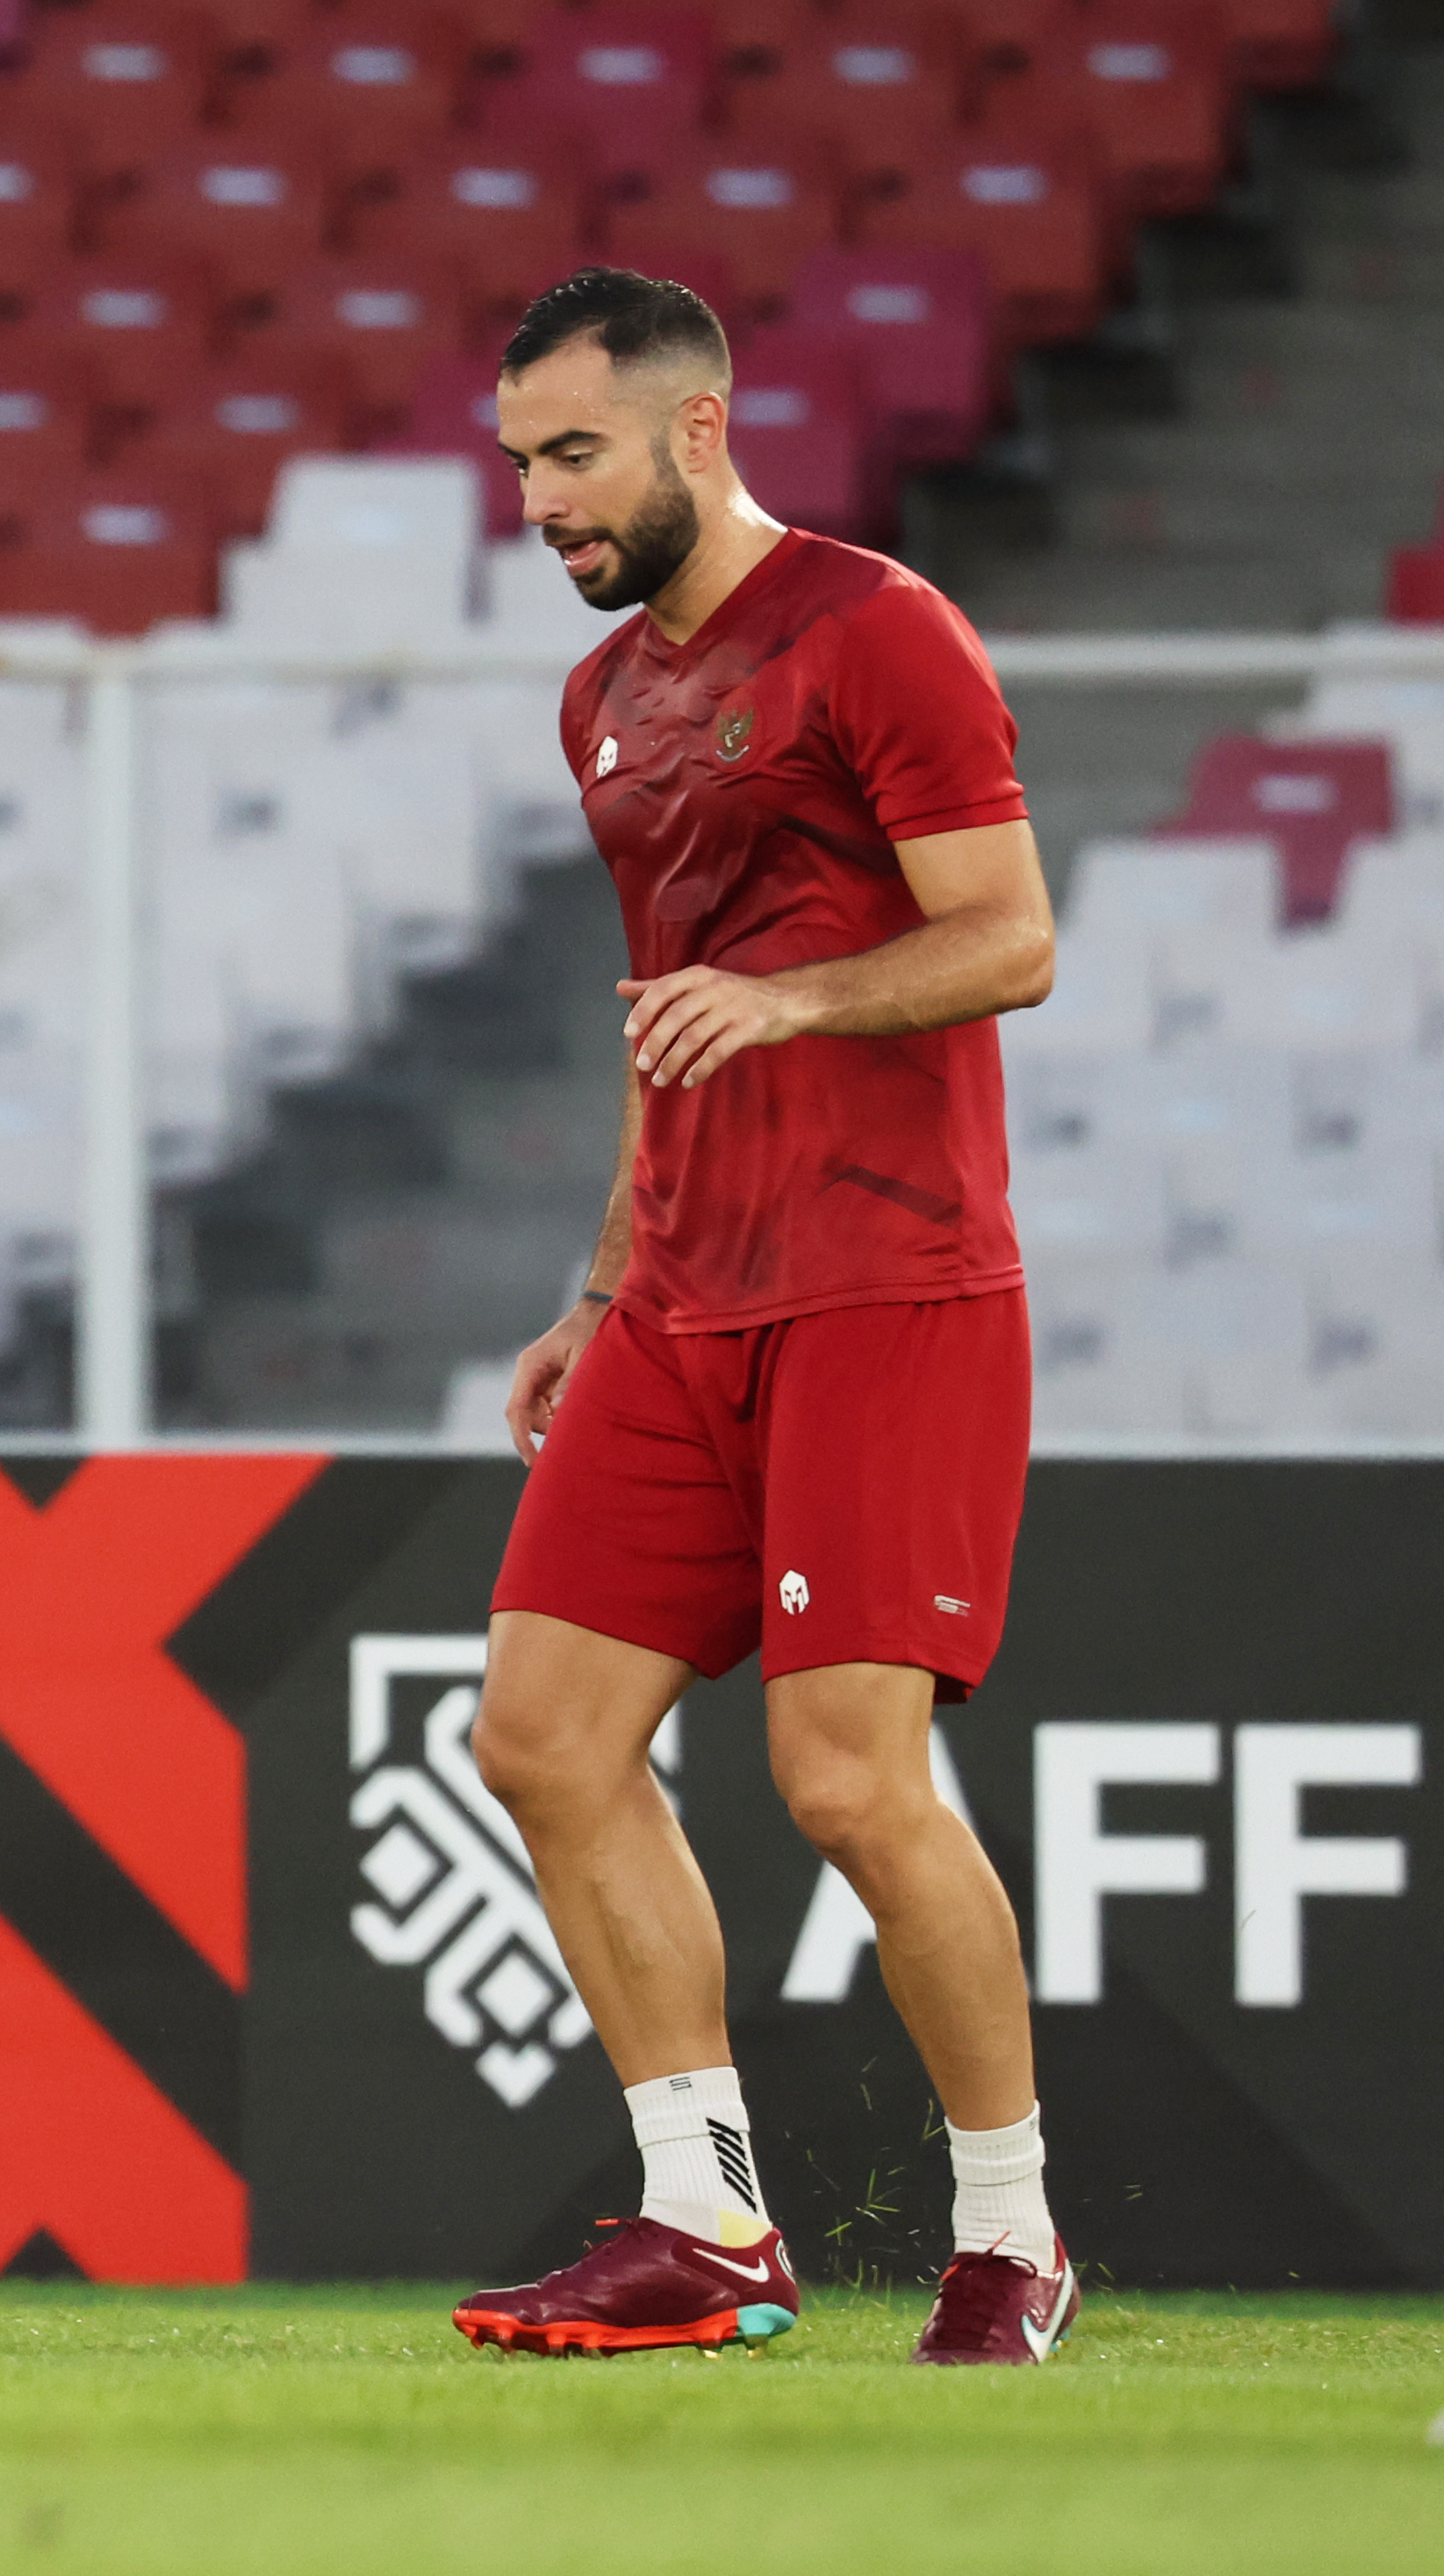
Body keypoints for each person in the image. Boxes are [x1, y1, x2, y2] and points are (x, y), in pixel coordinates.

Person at [457, 270, 1069, 2365]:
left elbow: (1008, 936)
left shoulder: (872, 628)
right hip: (682, 1296)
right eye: (519, 461)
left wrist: (796, 997)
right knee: (535, 1738)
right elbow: (669, 1021)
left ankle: (1007, 2235)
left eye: (570, 452)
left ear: (695, 431)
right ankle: (704, 2226)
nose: (539, 499)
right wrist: (595, 1281)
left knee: (840, 1783)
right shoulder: (601, 698)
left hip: (886, 1283)